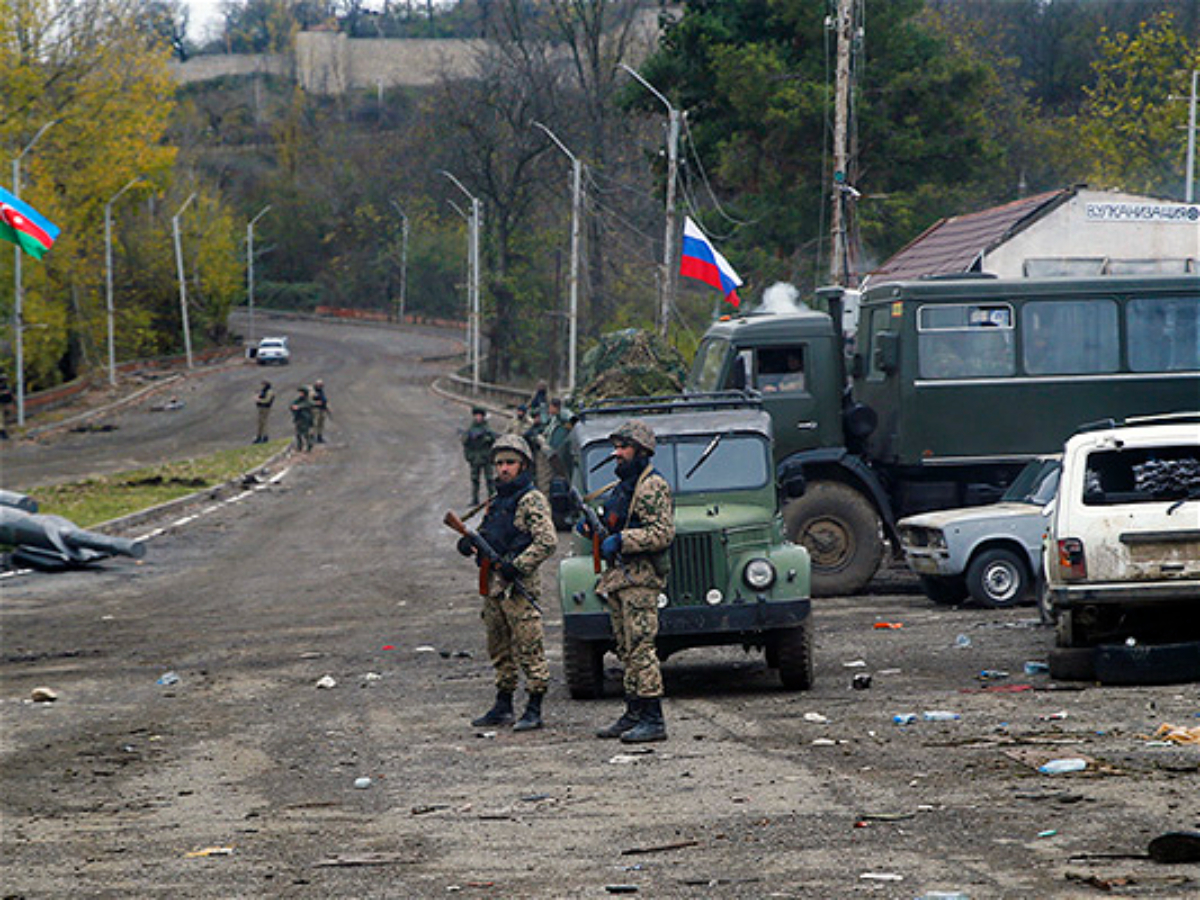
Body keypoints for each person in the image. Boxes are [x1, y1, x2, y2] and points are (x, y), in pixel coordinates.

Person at [456, 434, 558, 731]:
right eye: (499, 463)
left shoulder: (531, 499)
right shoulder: (497, 500)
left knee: (530, 648)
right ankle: (503, 705)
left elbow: (547, 542)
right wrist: (469, 544)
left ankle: (534, 707)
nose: (503, 469)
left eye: (510, 463)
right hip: (493, 586)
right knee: (499, 648)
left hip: (518, 588)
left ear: (523, 465)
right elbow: (487, 536)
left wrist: (518, 566)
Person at [588, 419, 675, 743]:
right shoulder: (625, 486)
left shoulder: (651, 486)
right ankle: (634, 712)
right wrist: (596, 531)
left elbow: (662, 532)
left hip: (641, 579)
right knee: (626, 649)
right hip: (620, 578)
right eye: (615, 447)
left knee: (641, 648)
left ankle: (653, 718)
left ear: (641, 451)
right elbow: (615, 522)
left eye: (623, 447)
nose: (617, 454)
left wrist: (621, 540)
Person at [461, 406, 497, 505]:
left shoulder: (487, 429)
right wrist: (469, 456)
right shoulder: (471, 429)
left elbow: (493, 441)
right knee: (474, 479)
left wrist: (487, 439)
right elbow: (465, 443)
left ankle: (492, 498)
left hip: (486, 457)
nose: (478, 418)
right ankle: (475, 499)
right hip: (475, 457)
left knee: (490, 479)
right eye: (476, 415)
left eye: (480, 416)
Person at [289, 385, 314, 452]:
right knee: (298, 434)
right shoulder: (298, 400)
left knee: (306, 433)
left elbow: (309, 404)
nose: (300, 394)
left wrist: (299, 407)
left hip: (305, 419)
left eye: (301, 392)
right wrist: (293, 407)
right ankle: (299, 446)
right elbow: (292, 405)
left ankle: (309, 445)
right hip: (298, 418)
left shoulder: (307, 400)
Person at [0, 372, 16, 440]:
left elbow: (11, 393)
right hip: (1, 403)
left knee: (6, 416)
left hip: (7, 402)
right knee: (1, 419)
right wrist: (3, 392)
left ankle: (5, 430)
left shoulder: (6, 385)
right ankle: (2, 433)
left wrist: (14, 399)